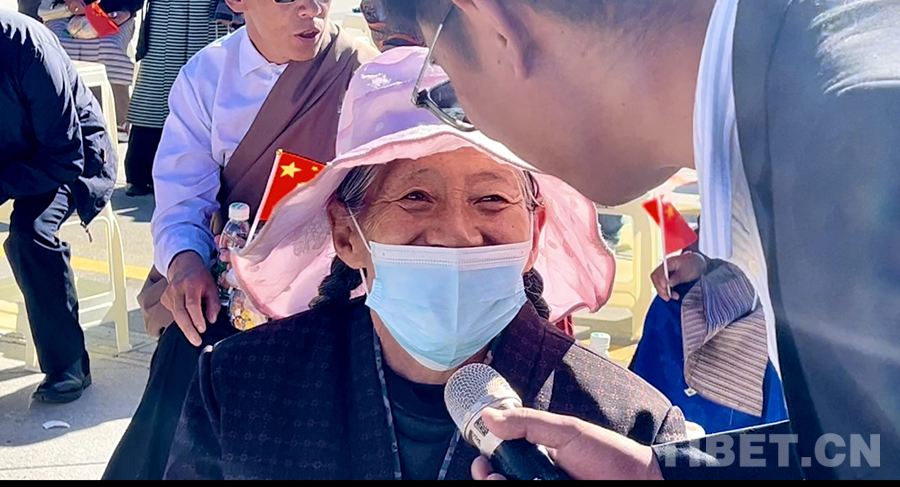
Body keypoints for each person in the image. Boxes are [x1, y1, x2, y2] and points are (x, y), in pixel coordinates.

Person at [375, 0, 899, 480]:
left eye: (449, 86)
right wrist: (657, 473)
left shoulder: (859, 148)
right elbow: (864, 449)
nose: (471, 120)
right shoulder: (819, 106)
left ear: (494, 24)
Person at [163, 47, 682, 480]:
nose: (457, 234)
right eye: (415, 196)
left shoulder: (630, 431)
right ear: (347, 234)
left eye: (492, 199)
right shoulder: (240, 385)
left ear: (535, 231)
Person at [101, 0, 378, 480]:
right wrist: (186, 264)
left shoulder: (361, 74)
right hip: (234, 288)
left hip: (336, 293)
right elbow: (182, 198)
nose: (310, 7)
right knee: (185, 358)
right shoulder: (206, 77)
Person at [1, 11, 117, 403]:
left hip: (71, 159)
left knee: (30, 234)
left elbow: (65, 156)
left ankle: (68, 365)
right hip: (12, 158)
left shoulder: (26, 47)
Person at [630, 252, 789, 435]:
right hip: (731, 287)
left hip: (791, 320)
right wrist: (699, 260)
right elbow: (723, 243)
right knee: (671, 304)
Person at [123, 0, 241, 197]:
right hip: (167, 11)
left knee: (207, 90)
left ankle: (208, 175)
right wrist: (123, 6)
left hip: (210, 13)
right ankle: (140, 172)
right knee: (155, 93)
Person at [43, 0, 143, 141]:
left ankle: (118, 118)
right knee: (57, 48)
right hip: (64, 12)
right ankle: (61, 116)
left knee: (110, 49)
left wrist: (126, 12)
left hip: (114, 11)